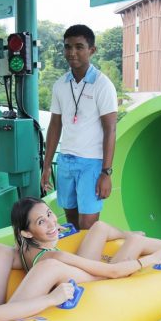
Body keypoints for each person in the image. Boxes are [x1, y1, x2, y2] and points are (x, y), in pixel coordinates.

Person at [11, 197, 161, 283]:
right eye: (41, 221)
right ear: (27, 233)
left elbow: (32, 238)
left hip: (83, 272)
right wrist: (152, 259)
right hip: (100, 280)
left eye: (49, 214)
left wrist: (50, 229)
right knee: (136, 240)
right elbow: (112, 272)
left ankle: (126, 234)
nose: (51, 221)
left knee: (99, 227)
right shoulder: (54, 258)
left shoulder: (25, 248)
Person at [40, 24, 118, 230]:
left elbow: (110, 130)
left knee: (88, 225)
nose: (72, 52)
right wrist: (46, 166)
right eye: (68, 47)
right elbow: (54, 126)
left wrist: (106, 173)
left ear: (92, 50)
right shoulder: (60, 84)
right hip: (65, 161)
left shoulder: (103, 85)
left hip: (91, 163)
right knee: (71, 223)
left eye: (79, 47)